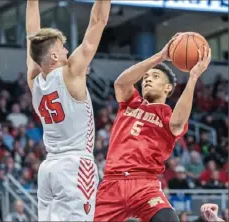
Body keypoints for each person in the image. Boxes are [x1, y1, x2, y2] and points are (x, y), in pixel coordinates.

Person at [94, 33, 211, 222]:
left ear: (167, 88)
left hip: (144, 184)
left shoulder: (168, 116)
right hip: (111, 183)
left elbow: (178, 123)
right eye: (146, 77)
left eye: (155, 76)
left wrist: (193, 77)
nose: (148, 79)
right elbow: (120, 83)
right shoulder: (130, 102)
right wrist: (160, 56)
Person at [26, 0, 111, 221]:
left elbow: (32, 36)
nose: (67, 50)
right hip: (75, 165)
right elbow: (98, 21)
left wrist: (32, 3)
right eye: (62, 48)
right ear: (54, 56)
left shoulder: (33, 78)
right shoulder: (72, 71)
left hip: (48, 169)